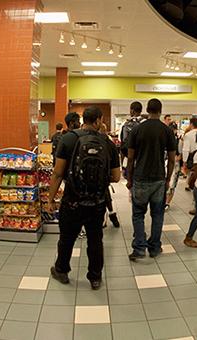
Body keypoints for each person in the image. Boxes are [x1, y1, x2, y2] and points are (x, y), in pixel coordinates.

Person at [47, 106, 121, 290]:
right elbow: (116, 177)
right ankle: (95, 278)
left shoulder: (68, 139)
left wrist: (50, 199)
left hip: (72, 200)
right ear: (97, 121)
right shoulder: (108, 142)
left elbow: (57, 173)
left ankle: (62, 271)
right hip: (97, 202)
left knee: (67, 238)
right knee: (95, 240)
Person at [127, 98, 176, 261]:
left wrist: (129, 178)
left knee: (138, 214)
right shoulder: (166, 130)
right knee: (157, 214)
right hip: (158, 179)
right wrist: (168, 178)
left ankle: (139, 248)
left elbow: (131, 157)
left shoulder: (137, 129)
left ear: (147, 110)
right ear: (160, 110)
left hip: (140, 178)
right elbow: (172, 158)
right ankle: (155, 247)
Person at [98, 122, 120, 229]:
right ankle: (111, 213)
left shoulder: (93, 141)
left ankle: (105, 217)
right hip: (106, 175)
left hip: (94, 175)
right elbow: (115, 162)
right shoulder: (110, 143)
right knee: (106, 193)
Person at [120, 102, 144, 177]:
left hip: (130, 161)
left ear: (132, 111)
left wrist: (122, 163)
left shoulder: (126, 124)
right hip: (144, 161)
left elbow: (123, 145)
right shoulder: (146, 123)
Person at [182, 117, 197, 193]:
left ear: (191, 124)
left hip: (192, 157)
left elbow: (186, 149)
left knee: (191, 175)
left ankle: (192, 188)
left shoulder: (188, 135)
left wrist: (184, 162)